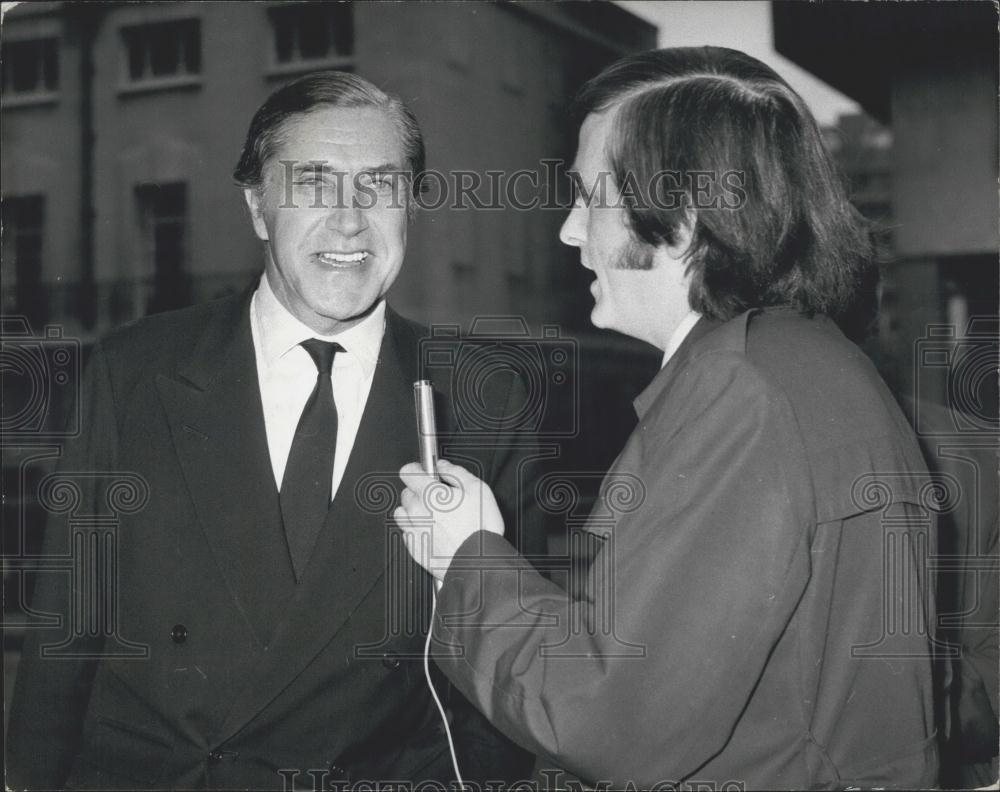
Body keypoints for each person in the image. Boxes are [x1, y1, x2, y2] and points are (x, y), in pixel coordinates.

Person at [396, 47, 939, 789]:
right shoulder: (807, 364)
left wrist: (465, 556)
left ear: (682, 216)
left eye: (590, 198)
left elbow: (608, 719)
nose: (568, 230)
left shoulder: (741, 392)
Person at [7, 72, 542, 789]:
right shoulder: (136, 370)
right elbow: (68, 625)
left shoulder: (482, 400)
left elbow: (504, 677)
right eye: (315, 184)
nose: (350, 220)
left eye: (379, 186)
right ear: (258, 207)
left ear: (410, 206)